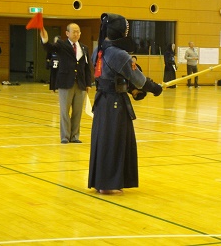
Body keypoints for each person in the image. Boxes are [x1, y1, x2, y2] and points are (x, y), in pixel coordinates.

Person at [88, 13, 162, 195]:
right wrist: (155, 88)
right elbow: (139, 80)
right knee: (114, 140)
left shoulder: (99, 50)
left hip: (102, 102)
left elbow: (113, 78)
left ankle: (106, 181)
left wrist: (132, 90)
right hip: (114, 103)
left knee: (105, 140)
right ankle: (108, 183)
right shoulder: (118, 54)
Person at [40, 23, 92, 144]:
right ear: (67, 33)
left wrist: (88, 83)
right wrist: (45, 39)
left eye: (78, 31)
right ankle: (65, 136)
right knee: (64, 111)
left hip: (80, 84)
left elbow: (87, 67)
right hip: (65, 83)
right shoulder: (62, 45)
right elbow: (49, 48)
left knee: (77, 112)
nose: (76, 34)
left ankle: (74, 136)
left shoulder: (84, 48)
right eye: (73, 31)